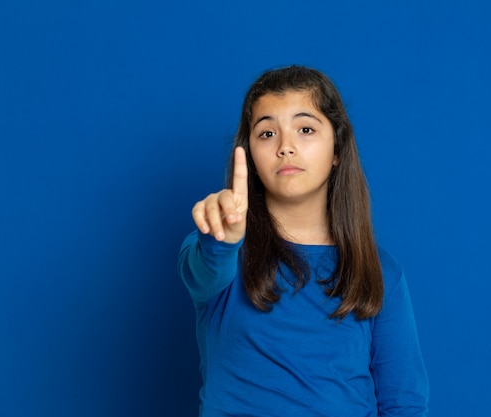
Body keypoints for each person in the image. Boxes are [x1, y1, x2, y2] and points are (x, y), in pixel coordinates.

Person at [178, 65, 429, 416]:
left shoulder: (381, 271)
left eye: (306, 129)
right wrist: (222, 238)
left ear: (337, 149)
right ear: (248, 153)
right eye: (267, 134)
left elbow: (404, 402)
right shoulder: (217, 251)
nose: (286, 147)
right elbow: (204, 271)